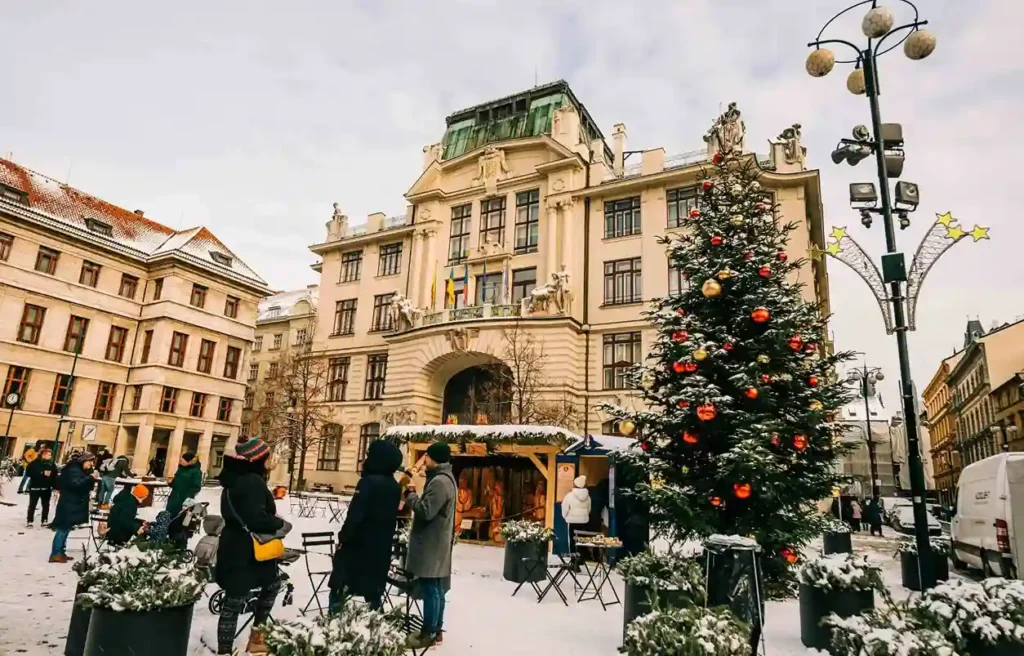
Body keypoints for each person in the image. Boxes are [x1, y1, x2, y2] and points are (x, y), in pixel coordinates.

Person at [216, 437, 287, 656]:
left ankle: (225, 650)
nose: (269, 461)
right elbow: (258, 519)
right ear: (258, 459)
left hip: (231, 544)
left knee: (233, 598)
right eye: (267, 457)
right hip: (250, 550)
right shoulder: (252, 482)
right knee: (273, 584)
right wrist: (278, 523)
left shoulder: (232, 480)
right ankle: (257, 638)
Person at [328, 439, 403, 612]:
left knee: (339, 589)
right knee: (373, 594)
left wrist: (344, 538)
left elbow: (355, 515)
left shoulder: (368, 482)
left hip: (357, 548)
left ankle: (332, 625)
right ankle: (378, 625)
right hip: (380, 549)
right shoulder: (394, 486)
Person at [403, 442, 456, 649]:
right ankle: (435, 629)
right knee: (436, 588)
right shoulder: (444, 479)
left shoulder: (440, 482)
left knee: (430, 587)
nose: (424, 461)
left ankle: (430, 632)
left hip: (431, 544)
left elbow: (426, 511)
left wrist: (411, 496)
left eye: (427, 457)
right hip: (436, 542)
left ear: (434, 458)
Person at [50, 452, 97, 563]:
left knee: (66, 528)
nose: (91, 464)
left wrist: (89, 475)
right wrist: (90, 477)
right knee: (63, 528)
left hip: (72, 503)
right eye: (90, 462)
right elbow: (76, 484)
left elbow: (85, 485)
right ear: (83, 461)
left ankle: (60, 551)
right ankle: (56, 553)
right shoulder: (73, 470)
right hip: (69, 503)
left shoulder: (77, 469)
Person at [167, 452, 203, 545]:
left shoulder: (196, 471)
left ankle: (180, 545)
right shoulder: (181, 468)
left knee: (181, 522)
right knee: (170, 519)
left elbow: (196, 487)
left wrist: (187, 497)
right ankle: (170, 542)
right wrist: (171, 483)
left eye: (182, 460)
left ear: (188, 461)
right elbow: (177, 482)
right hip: (173, 498)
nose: (180, 461)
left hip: (184, 501)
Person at [25, 447, 57, 528]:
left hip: (46, 488)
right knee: (32, 504)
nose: (50, 456)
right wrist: (42, 473)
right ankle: (30, 520)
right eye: (48, 455)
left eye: (50, 455)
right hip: (35, 487)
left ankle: (44, 519)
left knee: (46, 505)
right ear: (43, 455)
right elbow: (29, 473)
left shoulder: (51, 464)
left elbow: (55, 475)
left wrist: (55, 486)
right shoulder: (34, 463)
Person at [561, 475, 592, 558]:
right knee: (581, 541)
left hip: (572, 521)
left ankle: (574, 561)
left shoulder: (569, 496)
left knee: (572, 541)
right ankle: (581, 559)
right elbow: (589, 510)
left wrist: (566, 517)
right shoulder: (588, 497)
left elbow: (564, 508)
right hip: (584, 522)